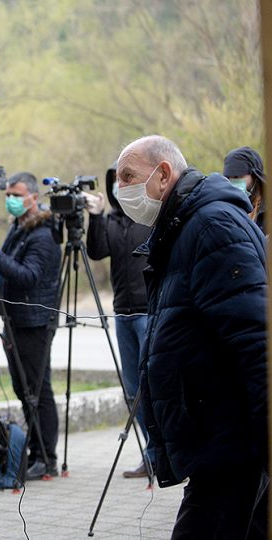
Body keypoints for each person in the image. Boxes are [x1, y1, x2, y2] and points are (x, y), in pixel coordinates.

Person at [116, 135, 267, 539]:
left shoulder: (211, 226)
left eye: (128, 177)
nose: (121, 191)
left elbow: (254, 336)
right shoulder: (182, 229)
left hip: (230, 440)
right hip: (215, 439)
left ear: (164, 174)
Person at [0, 172, 61, 480]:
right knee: (24, 389)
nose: (11, 199)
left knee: (37, 389)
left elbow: (28, 276)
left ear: (34, 197)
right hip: (14, 319)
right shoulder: (19, 228)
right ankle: (35, 451)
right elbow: (7, 264)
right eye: (8, 193)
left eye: (17, 194)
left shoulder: (43, 236)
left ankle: (46, 457)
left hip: (34, 322)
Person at [84, 164, 154, 478]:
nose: (118, 187)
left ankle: (166, 453)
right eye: (114, 182)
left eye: (125, 180)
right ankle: (150, 454)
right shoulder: (112, 221)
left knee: (153, 387)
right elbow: (96, 251)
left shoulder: (151, 218)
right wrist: (96, 216)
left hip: (148, 312)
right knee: (132, 389)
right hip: (122, 313)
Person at [223, 146, 265, 234]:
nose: (233, 182)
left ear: (254, 176)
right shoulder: (227, 206)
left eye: (238, 177)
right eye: (229, 178)